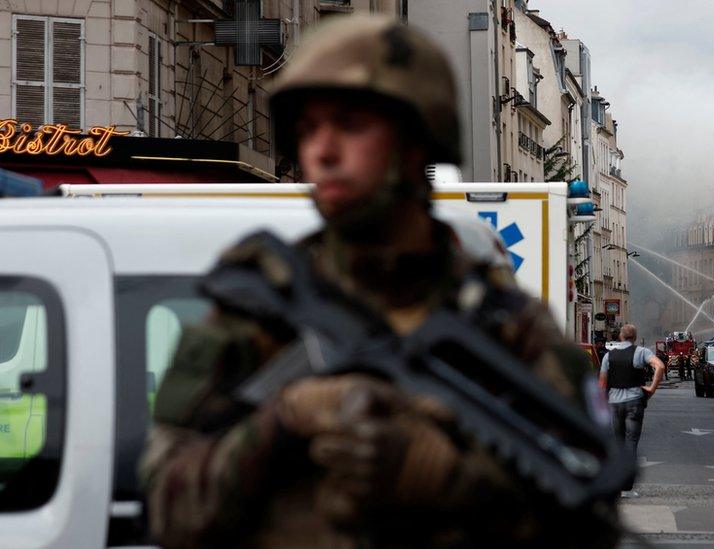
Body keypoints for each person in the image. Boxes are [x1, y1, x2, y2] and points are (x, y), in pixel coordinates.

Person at [139, 15, 617, 548]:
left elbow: (591, 521)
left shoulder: (503, 325)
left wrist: (446, 478)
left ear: (418, 140)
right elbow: (169, 511)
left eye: (349, 124)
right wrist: (282, 420)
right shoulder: (258, 302)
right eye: (308, 129)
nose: (322, 151)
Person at [598, 324, 666, 498]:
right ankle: (626, 486)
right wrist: (651, 388)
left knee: (616, 443)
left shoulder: (608, 356)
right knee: (631, 443)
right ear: (635, 338)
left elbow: (602, 384)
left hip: (614, 403)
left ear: (621, 336)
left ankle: (615, 485)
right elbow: (660, 366)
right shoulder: (641, 352)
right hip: (634, 402)